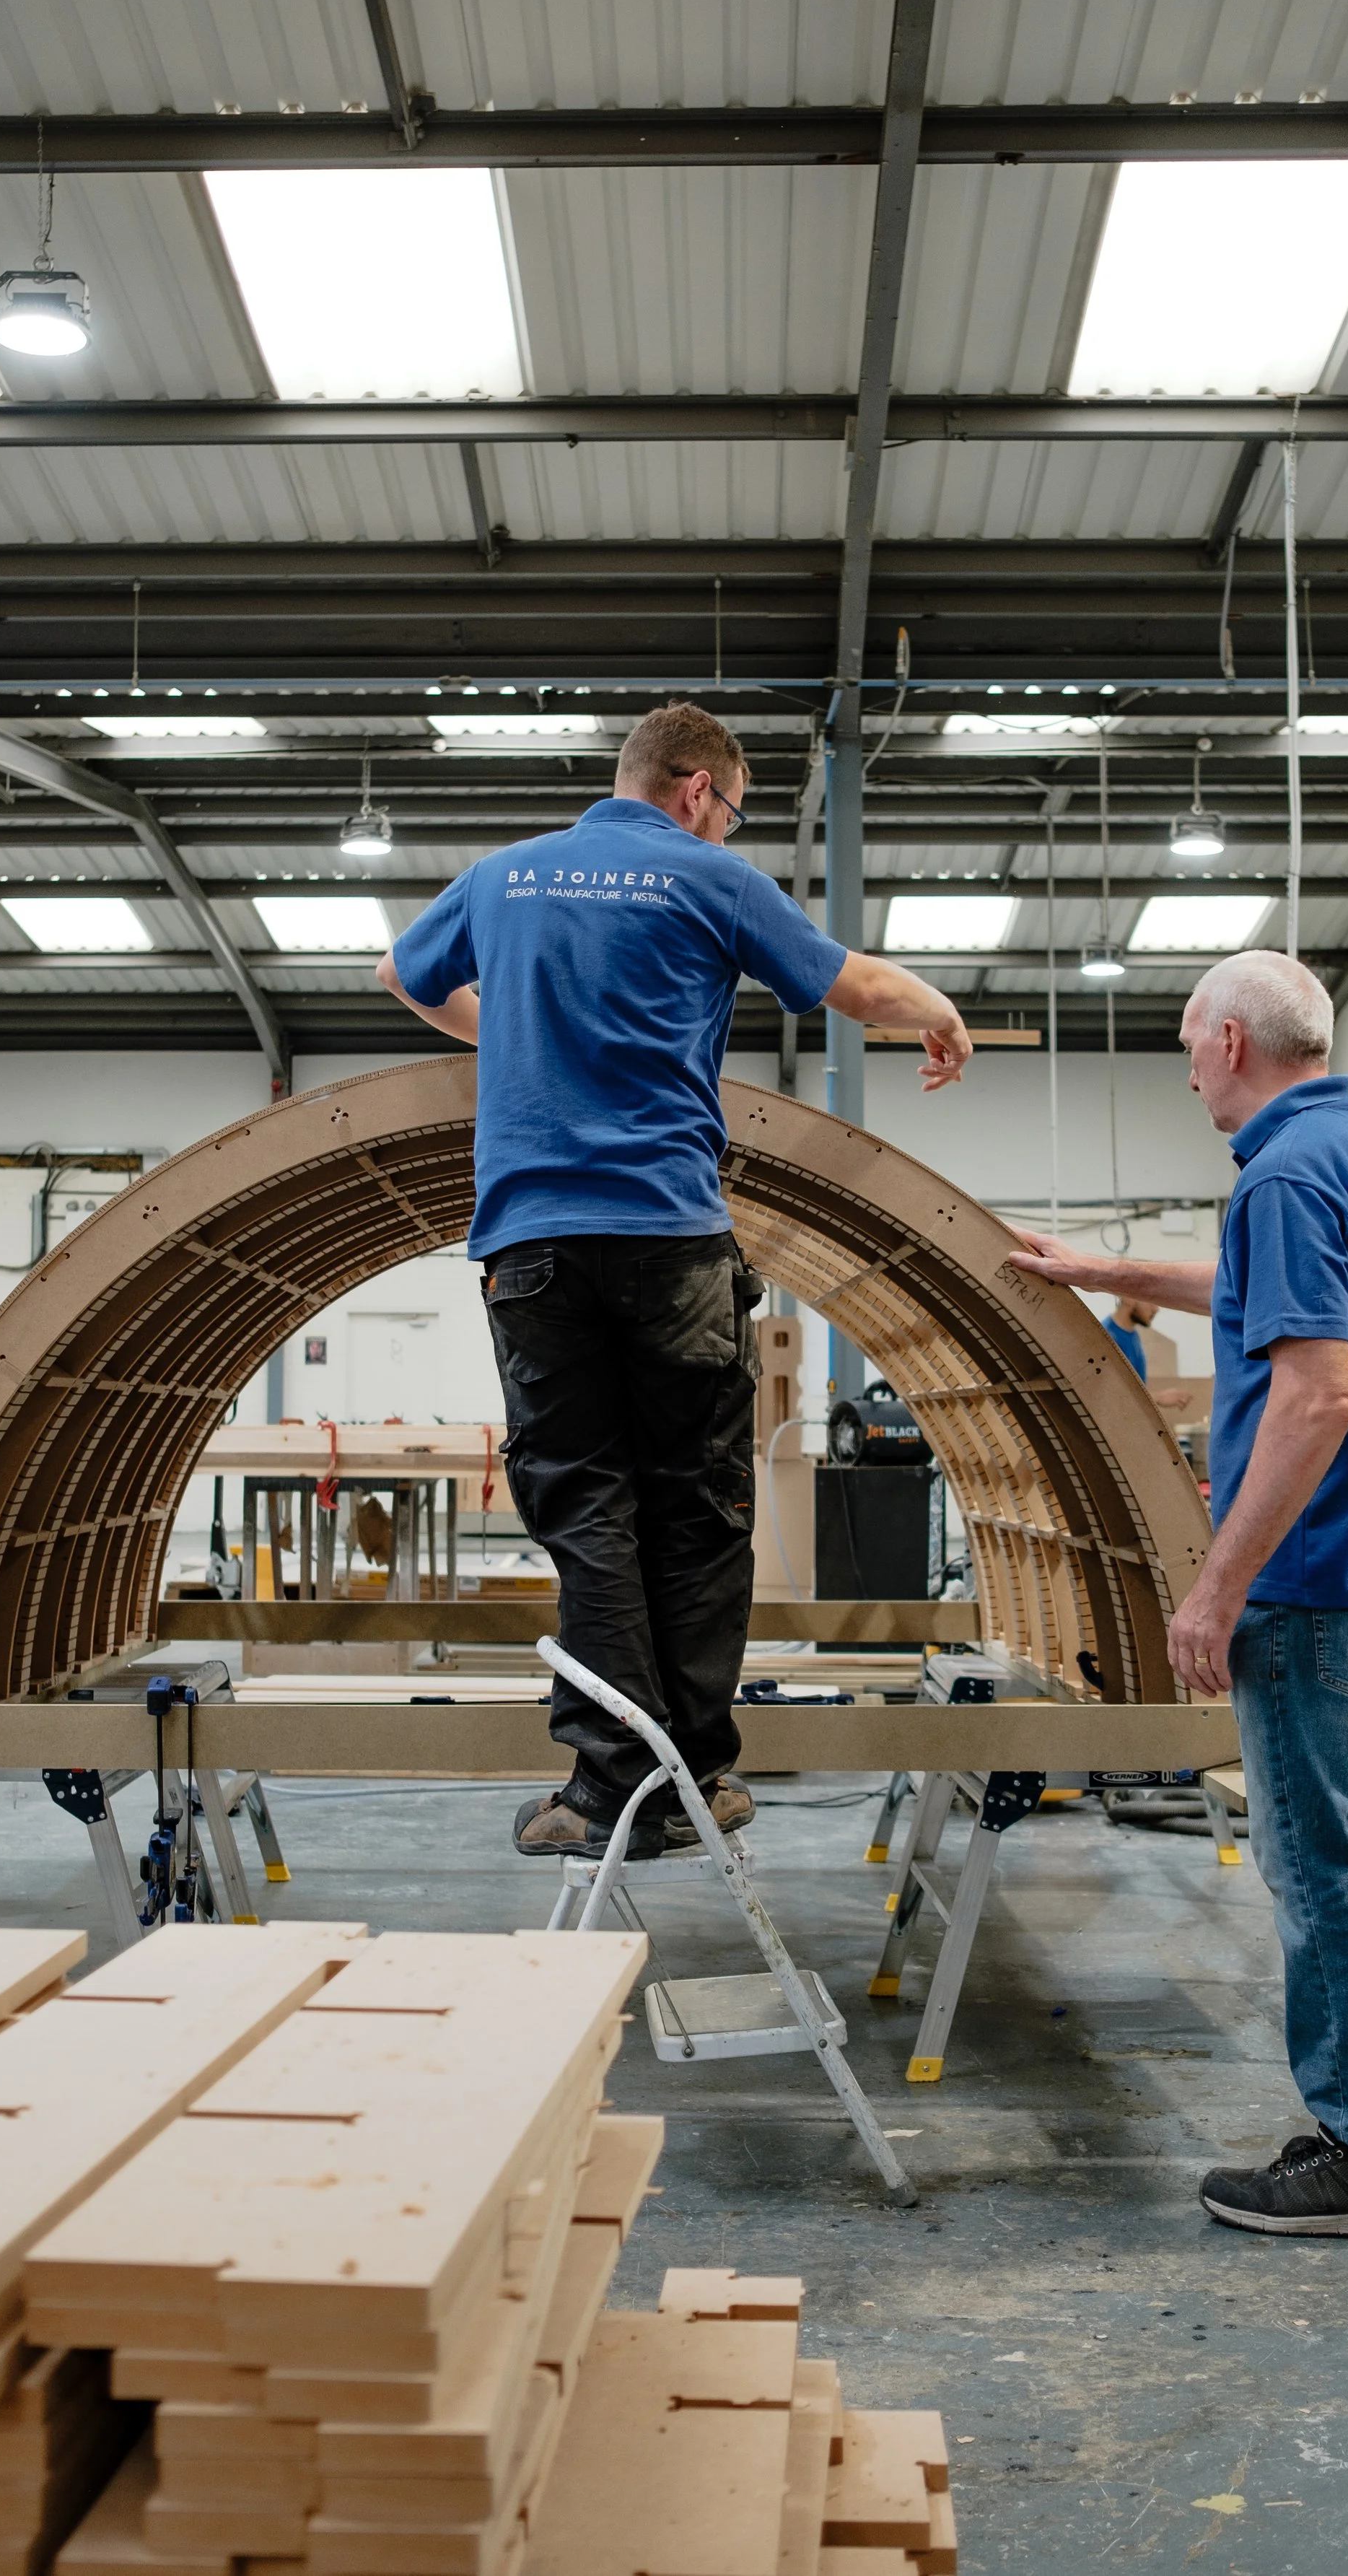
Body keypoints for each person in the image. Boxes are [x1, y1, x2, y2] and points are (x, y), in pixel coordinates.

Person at [377, 702, 972, 1857]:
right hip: (674, 1242)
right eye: (732, 810)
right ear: (697, 790)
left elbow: (400, 972)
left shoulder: (505, 878)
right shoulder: (710, 881)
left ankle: (607, 1789)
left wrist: (507, 1032)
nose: (726, 828)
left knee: (590, 1509)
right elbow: (850, 984)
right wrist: (940, 1012)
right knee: (698, 1511)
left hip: (535, 1252)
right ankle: (697, 1775)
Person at [1010, 948, 1348, 2243]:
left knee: (1319, 1863)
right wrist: (1101, 1272)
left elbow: (1319, 1390)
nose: (1184, 1069)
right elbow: (1265, 1301)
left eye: (1188, 1043)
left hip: (1313, 1575)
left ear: (1231, 1041)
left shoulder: (1281, 1171)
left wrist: (1213, 1589)